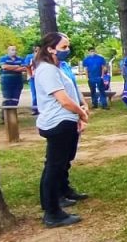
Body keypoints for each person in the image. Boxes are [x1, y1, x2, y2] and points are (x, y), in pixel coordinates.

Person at [33, 32, 89, 228]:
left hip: (66, 120)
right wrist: (81, 114)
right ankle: (52, 212)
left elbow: (71, 89)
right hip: (57, 122)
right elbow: (63, 100)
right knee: (54, 166)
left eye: (67, 46)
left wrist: (81, 108)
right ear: (50, 48)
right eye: (64, 47)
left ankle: (63, 192)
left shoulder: (56, 68)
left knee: (62, 161)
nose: (68, 50)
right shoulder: (46, 70)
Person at [24, 45, 39, 115]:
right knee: (34, 94)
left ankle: (40, 108)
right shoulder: (29, 56)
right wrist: (31, 75)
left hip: (40, 77)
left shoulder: (42, 56)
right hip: (33, 78)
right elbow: (27, 66)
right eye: (36, 50)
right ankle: (35, 109)